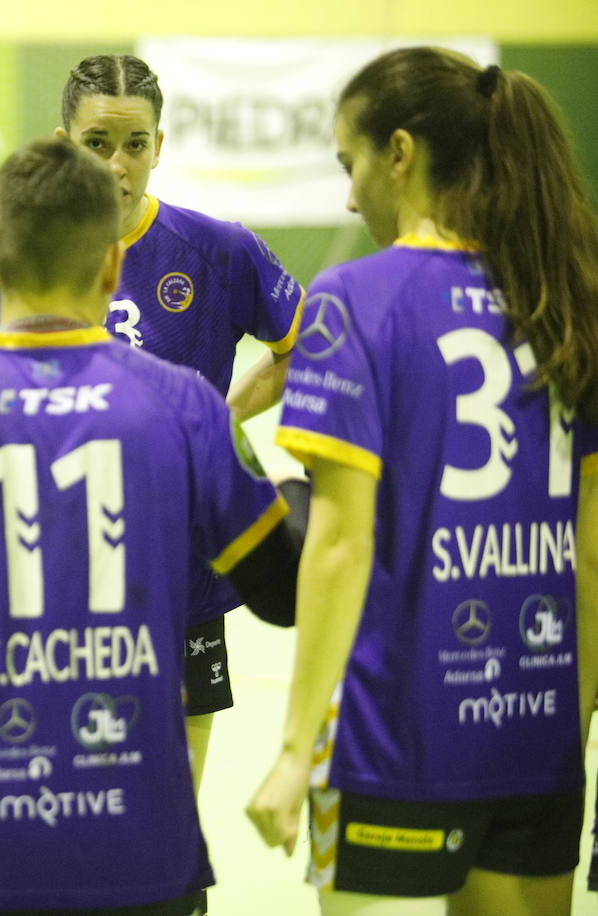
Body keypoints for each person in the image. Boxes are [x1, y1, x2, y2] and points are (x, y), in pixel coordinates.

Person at [0, 135, 301, 915]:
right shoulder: (187, 408)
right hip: (138, 851)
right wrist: (300, 497)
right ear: (112, 269)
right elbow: (282, 595)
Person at [0, 53, 306, 790]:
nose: (117, 164)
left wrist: (218, 420)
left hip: (181, 573)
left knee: (169, 809)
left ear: (160, 147)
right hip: (33, 577)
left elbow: (310, 352)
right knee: (34, 784)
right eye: (97, 143)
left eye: (135, 143)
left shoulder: (221, 250)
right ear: (63, 143)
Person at [246, 47, 598, 916]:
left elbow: (340, 541)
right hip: (540, 733)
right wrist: (572, 725)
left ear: (398, 153)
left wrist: (295, 753)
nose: (347, 195)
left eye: (349, 163)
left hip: (393, 738)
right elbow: (591, 552)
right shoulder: (564, 295)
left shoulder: (355, 298)